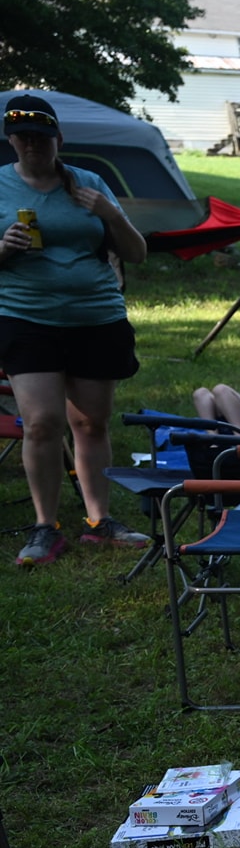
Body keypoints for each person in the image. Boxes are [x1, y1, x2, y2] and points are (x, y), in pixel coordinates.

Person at [1, 94, 151, 566]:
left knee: (90, 423)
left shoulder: (88, 184)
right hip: (27, 317)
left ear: (58, 140)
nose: (33, 145)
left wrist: (111, 213)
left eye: (42, 137)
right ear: (11, 141)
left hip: (95, 316)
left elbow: (137, 253)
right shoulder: (1, 187)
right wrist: (3, 249)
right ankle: (46, 527)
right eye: (23, 137)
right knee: (42, 424)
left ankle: (98, 521)